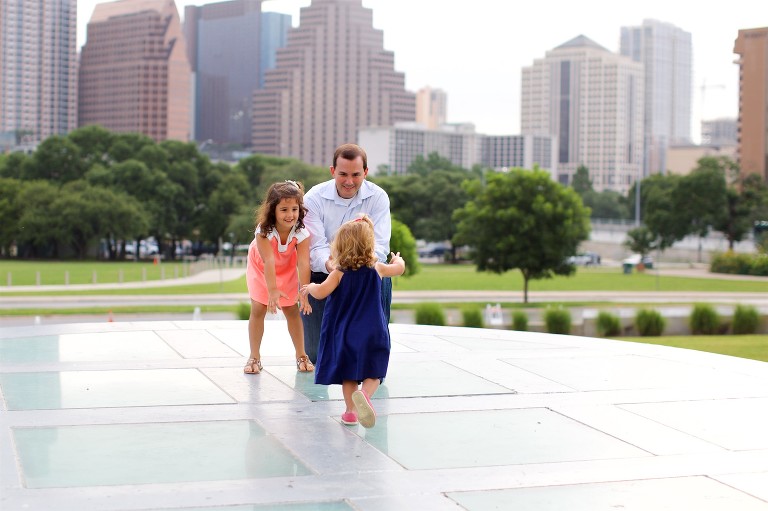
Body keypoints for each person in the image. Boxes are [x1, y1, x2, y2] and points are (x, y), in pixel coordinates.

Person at [301, 215, 405, 428]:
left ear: (340, 246)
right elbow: (399, 269)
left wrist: (310, 287)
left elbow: (321, 293)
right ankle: (365, 395)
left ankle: (350, 413)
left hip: (345, 332)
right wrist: (397, 260)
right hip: (373, 330)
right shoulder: (377, 268)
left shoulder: (339, 273)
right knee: (374, 371)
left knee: (348, 375)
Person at [301, 143, 392, 364]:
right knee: (316, 354)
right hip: (324, 272)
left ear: (365, 172)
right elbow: (316, 247)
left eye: (356, 174)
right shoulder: (313, 198)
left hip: (368, 273)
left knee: (371, 344)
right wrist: (334, 268)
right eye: (343, 174)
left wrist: (356, 269)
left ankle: (370, 374)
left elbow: (380, 246)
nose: (349, 181)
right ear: (333, 171)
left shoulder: (378, 197)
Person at [244, 180, 314, 375]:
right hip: (261, 267)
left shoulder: (301, 233)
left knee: (292, 310)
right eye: (284, 210)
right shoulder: (264, 231)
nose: (290, 215)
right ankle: (254, 357)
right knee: (258, 308)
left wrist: (304, 292)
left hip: (285, 266)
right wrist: (272, 290)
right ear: (272, 210)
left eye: (294, 209)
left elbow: (303, 263)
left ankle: (301, 355)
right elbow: (268, 260)